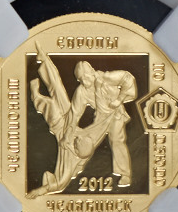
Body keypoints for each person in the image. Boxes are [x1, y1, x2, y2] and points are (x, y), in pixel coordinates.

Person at [27, 42, 137, 197]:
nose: (84, 82)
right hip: (99, 120)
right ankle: (44, 61)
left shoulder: (106, 78)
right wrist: (67, 135)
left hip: (114, 114)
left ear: (92, 72)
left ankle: (125, 174)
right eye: (80, 79)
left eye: (86, 77)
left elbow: (128, 79)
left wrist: (119, 99)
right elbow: (74, 114)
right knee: (60, 95)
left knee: (116, 140)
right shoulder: (82, 91)